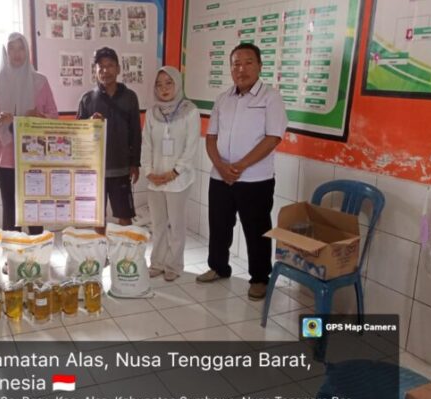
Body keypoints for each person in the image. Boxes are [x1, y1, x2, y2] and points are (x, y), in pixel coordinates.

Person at [196, 43, 288, 302]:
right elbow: (211, 137)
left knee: (256, 229)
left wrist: (241, 166)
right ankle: (218, 267)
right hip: (220, 176)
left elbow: (273, 138)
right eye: (236, 64)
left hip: (255, 179)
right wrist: (221, 166)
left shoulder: (270, 97)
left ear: (259, 66)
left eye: (248, 63)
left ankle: (259, 278)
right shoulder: (223, 98)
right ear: (230, 68)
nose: (241, 69)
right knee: (219, 225)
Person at [0, 33, 59, 234]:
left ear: (27, 51)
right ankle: (12, 251)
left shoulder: (40, 81)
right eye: (11, 49)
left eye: (21, 48)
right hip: (4, 156)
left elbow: (54, 117)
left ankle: (37, 249)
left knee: (34, 208)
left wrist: (39, 116)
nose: (16, 54)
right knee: (10, 208)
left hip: (34, 155)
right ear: (5, 52)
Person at [141, 66, 200, 282]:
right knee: (157, 224)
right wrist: (148, 172)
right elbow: (146, 144)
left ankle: (174, 265)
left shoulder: (190, 111)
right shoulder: (152, 112)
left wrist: (175, 172)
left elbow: (191, 146)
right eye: (159, 84)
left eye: (169, 83)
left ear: (177, 84)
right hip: (155, 179)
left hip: (179, 180)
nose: (164, 88)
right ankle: (157, 262)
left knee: (176, 225)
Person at [76, 47, 141, 232]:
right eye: (101, 66)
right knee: (98, 218)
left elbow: (136, 132)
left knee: (125, 217)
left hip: (121, 168)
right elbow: (78, 135)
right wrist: (89, 123)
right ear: (95, 70)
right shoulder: (87, 99)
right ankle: (100, 249)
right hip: (94, 170)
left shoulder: (130, 97)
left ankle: (124, 249)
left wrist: (135, 163)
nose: (105, 71)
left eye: (110, 65)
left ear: (118, 68)